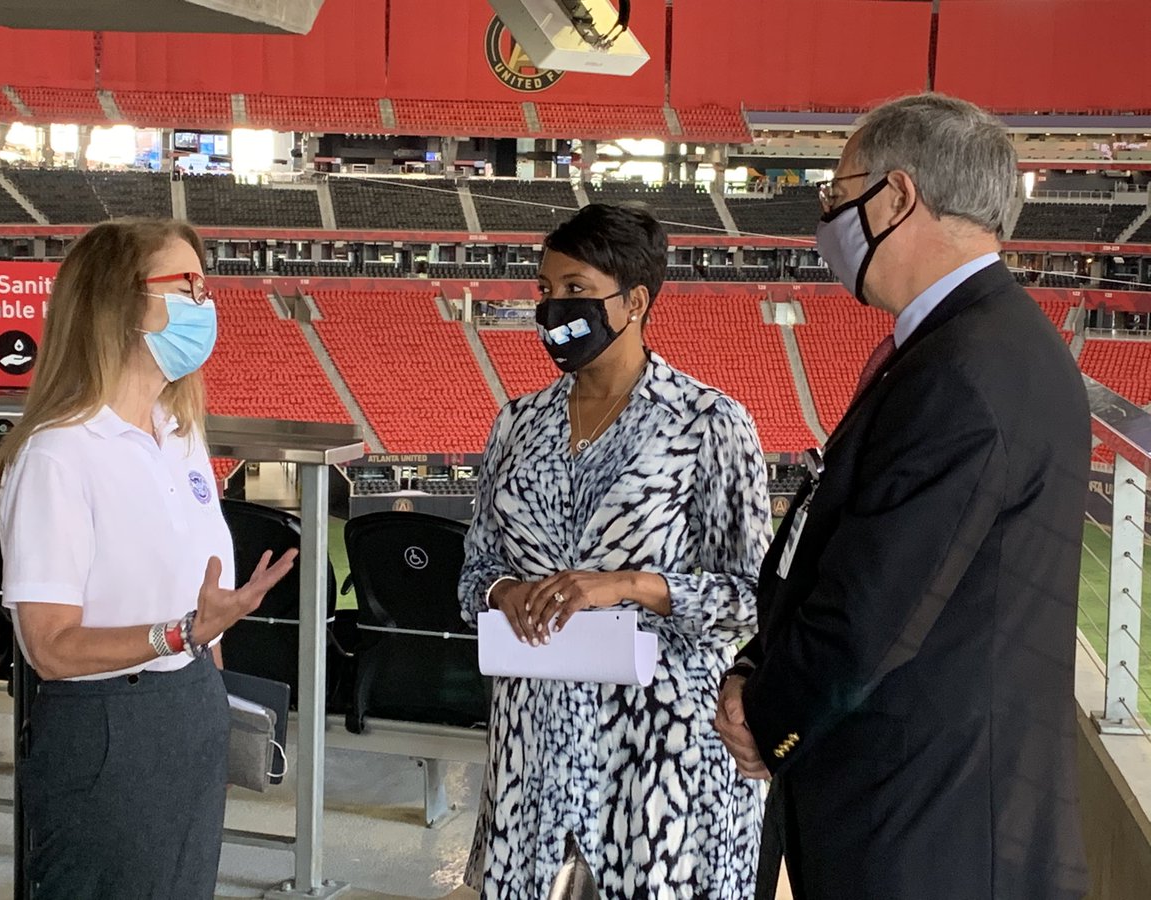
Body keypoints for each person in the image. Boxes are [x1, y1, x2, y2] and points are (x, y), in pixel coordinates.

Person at [715, 93, 1091, 900]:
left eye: (836, 193)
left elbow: (871, 609)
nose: (827, 218)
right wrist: (759, 661)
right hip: (926, 805)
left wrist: (765, 714)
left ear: (895, 196)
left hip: (924, 830)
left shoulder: (962, 373)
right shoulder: (975, 344)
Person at [460, 203, 773, 898]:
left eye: (576, 291)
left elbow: (752, 599)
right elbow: (475, 573)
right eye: (545, 290)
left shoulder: (708, 424)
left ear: (634, 301)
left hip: (660, 761)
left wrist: (626, 584)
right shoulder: (517, 423)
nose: (554, 309)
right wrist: (503, 592)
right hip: (532, 750)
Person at [0, 219, 297, 899]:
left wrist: (206, 660)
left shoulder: (179, 437)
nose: (204, 300)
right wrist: (181, 631)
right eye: (184, 285)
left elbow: (199, 595)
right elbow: (50, 647)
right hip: (104, 729)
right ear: (119, 302)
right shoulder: (57, 454)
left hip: (186, 710)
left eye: (205, 283)